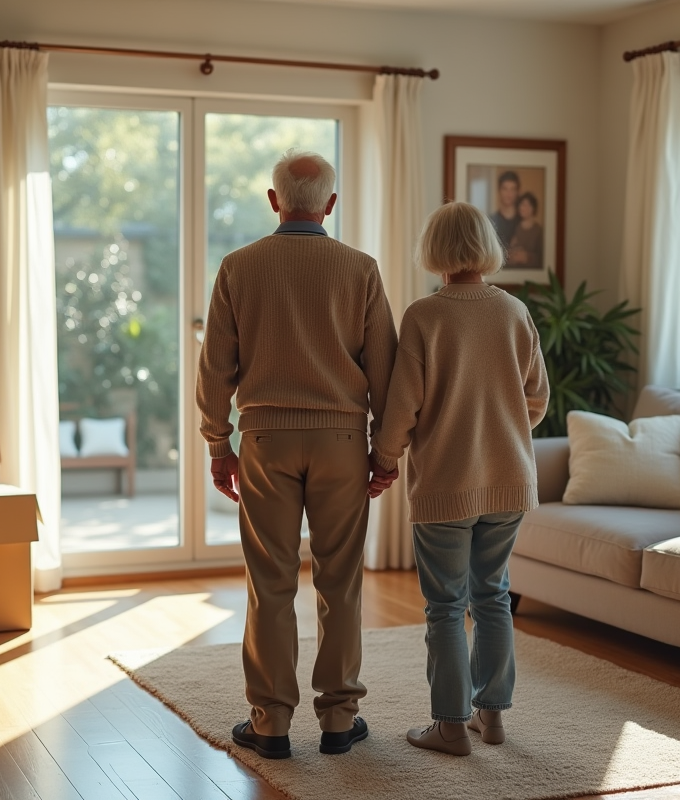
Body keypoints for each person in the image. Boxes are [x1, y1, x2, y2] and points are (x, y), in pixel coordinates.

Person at [196, 149, 399, 760]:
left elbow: (215, 369)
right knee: (341, 582)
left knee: (271, 583)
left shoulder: (238, 266)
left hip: (265, 441)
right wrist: (384, 454)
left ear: (274, 200)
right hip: (343, 442)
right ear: (330, 205)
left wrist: (218, 443)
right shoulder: (361, 269)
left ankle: (271, 724)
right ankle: (338, 720)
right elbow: (386, 371)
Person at [370, 202, 549, 756]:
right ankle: (491, 718)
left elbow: (403, 405)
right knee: (493, 596)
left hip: (445, 485)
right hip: (509, 480)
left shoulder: (425, 316)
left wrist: (385, 459)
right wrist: (501, 432)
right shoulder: (515, 311)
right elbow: (537, 399)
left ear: (434, 249)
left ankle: (449, 726)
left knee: (446, 606)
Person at [487, 171, 521, 258]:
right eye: (505, 189)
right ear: (499, 191)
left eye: (512, 189)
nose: (508, 194)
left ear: (517, 192)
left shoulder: (524, 222)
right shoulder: (490, 222)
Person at [506, 192, 543, 270]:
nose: (523, 208)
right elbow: (508, 251)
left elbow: (543, 258)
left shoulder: (539, 231)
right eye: (522, 204)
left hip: (532, 273)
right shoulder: (514, 227)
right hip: (514, 271)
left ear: (533, 208)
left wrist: (527, 258)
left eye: (527, 205)